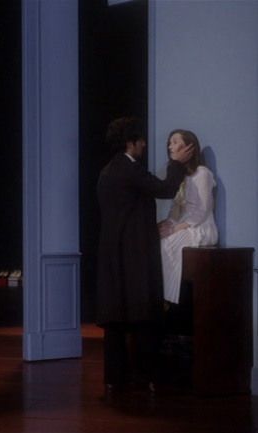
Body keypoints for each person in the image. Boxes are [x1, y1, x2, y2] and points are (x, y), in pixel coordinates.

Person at [96, 117, 193, 396]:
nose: (144, 145)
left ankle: (114, 379)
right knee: (143, 315)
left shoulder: (107, 171)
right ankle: (148, 377)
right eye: (140, 141)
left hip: (113, 254)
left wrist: (151, 226)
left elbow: (124, 212)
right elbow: (165, 189)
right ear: (131, 142)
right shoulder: (129, 169)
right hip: (133, 254)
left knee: (115, 319)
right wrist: (177, 163)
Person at [158, 130, 218, 305]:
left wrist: (176, 228)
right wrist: (168, 224)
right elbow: (175, 207)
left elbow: (202, 210)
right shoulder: (180, 175)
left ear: (189, 147)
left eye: (175, 142)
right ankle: (161, 296)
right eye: (170, 143)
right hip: (183, 223)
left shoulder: (202, 173)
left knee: (168, 243)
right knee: (158, 239)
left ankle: (169, 299)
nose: (170, 146)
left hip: (200, 227)